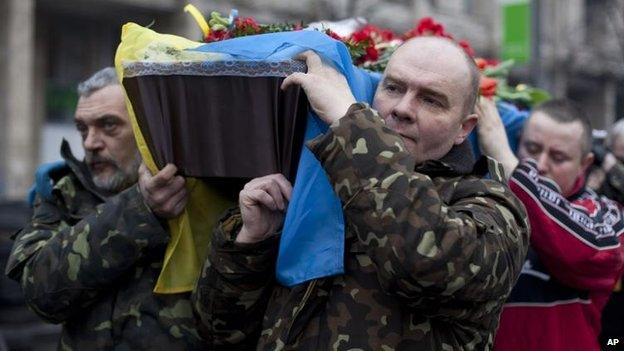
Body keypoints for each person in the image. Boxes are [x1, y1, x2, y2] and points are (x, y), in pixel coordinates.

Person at [193, 37, 530, 350]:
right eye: (393, 88)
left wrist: (348, 122)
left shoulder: (494, 208)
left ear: (464, 128)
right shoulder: (325, 174)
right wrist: (251, 243)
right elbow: (220, 332)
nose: (402, 108)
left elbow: (420, 259)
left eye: (431, 100)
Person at [5, 67, 204, 350]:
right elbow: (41, 294)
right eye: (82, 128)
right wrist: (140, 208)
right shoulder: (63, 191)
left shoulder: (196, 189)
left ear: (146, 127)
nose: (90, 143)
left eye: (108, 125)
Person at [476, 98, 624, 351]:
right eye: (531, 149)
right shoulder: (482, 202)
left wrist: (506, 159)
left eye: (558, 157)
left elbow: (580, 251)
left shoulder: (607, 216)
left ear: (584, 164)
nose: (540, 165)